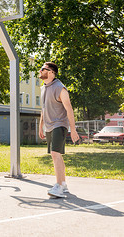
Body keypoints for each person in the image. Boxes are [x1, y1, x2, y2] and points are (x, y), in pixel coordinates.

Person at [38, 62, 79, 198]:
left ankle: (59, 186)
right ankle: (63, 184)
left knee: (55, 153)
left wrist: (73, 130)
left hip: (59, 124)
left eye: (42, 69)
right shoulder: (43, 88)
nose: (40, 71)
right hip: (49, 125)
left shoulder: (60, 88)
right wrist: (41, 126)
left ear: (50, 72)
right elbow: (43, 109)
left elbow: (69, 109)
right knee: (56, 154)